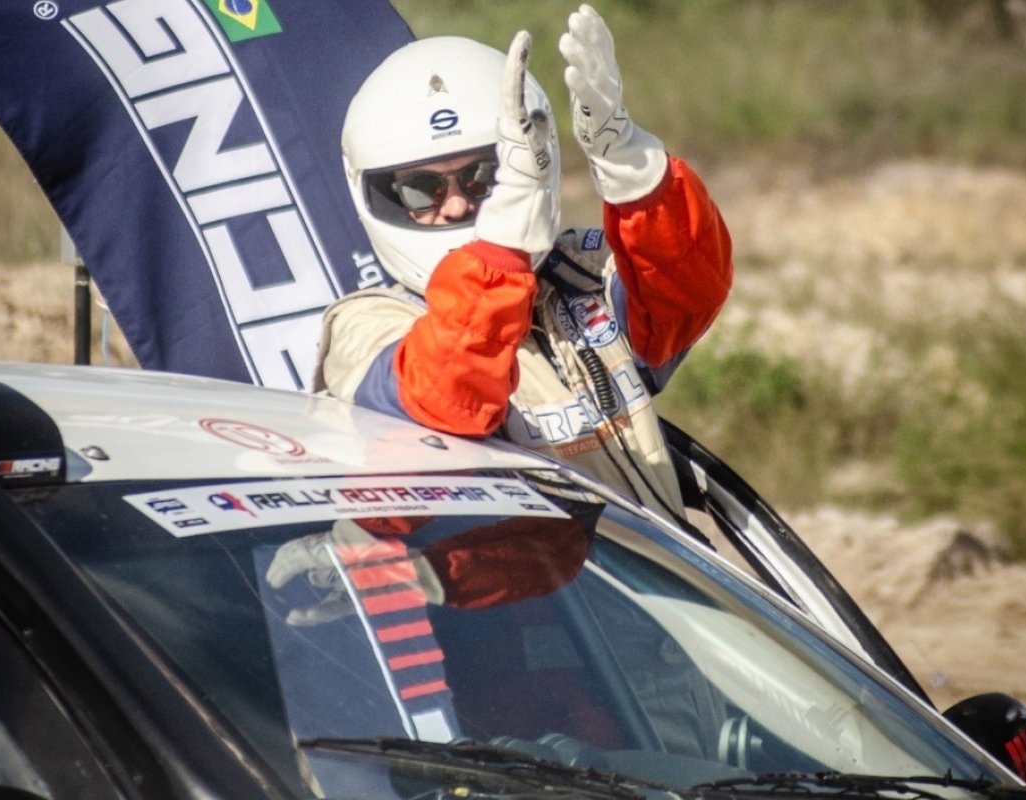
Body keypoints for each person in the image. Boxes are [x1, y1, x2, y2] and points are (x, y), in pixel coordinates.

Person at [314, 4, 733, 523]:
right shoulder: (365, 327)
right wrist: (504, 245)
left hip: (651, 586)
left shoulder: (578, 277)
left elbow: (686, 294)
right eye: (420, 188)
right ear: (378, 192)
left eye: (483, 176)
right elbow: (445, 394)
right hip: (529, 600)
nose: (455, 205)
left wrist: (635, 172)